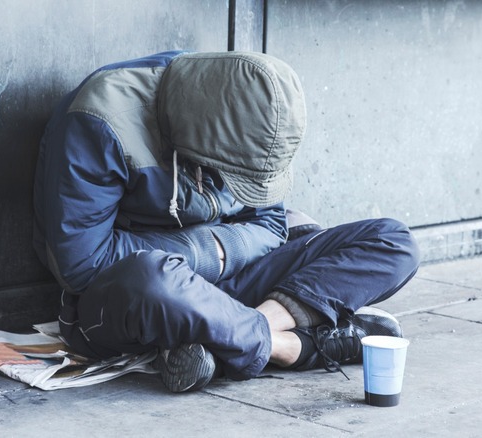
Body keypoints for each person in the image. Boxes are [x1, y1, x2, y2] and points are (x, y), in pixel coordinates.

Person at [32, 50, 420, 393]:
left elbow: (271, 224)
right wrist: (210, 251)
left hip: (233, 277)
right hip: (140, 297)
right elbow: (83, 266)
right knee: (149, 279)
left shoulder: (250, 110)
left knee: (394, 241)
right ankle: (296, 347)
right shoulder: (98, 122)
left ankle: (227, 336)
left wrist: (225, 263)